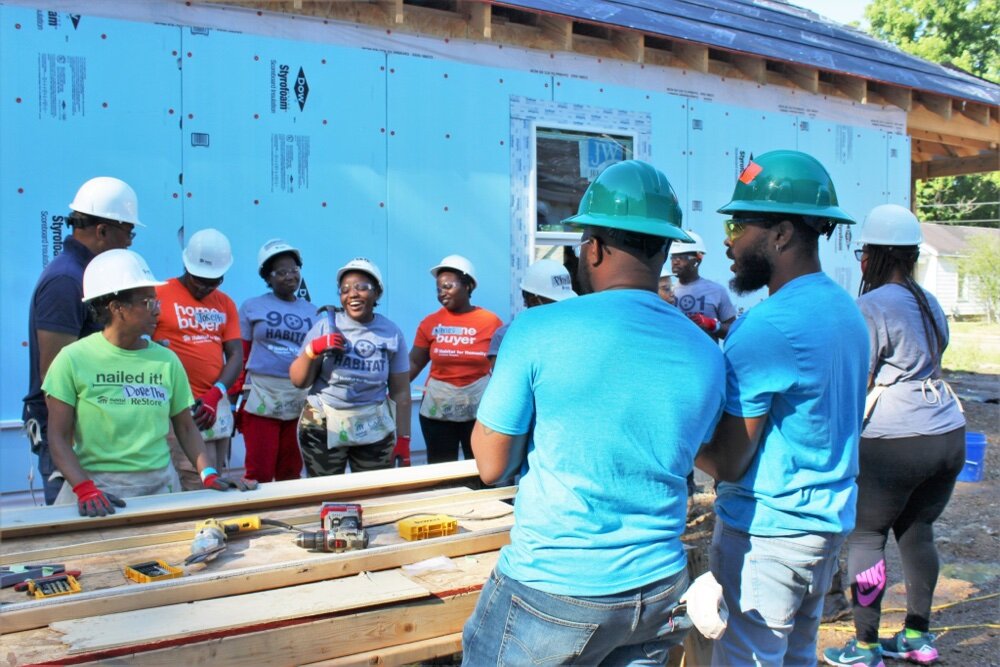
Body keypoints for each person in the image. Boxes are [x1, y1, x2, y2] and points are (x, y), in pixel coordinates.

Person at [462, 160, 726, 664]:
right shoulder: (705, 352)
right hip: (659, 589)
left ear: (593, 248)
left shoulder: (537, 329)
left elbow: (492, 464)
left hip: (554, 588)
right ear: (667, 250)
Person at [695, 150, 869, 666]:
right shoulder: (846, 311)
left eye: (740, 224)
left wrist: (674, 437)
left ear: (782, 234)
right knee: (796, 656)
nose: (728, 241)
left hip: (767, 536)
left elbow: (728, 461)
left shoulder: (769, 325)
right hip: (824, 527)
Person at [824, 205, 966, 667]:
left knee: (867, 535)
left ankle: (864, 646)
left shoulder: (871, 305)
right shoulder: (928, 300)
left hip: (895, 438)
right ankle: (917, 638)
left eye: (864, 253)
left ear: (876, 256)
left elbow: (858, 377)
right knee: (919, 531)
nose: (861, 262)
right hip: (947, 430)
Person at [43, 250, 254, 516]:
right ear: (116, 307)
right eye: (147, 302)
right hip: (98, 489)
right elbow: (58, 437)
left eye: (156, 300)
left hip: (159, 487)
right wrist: (85, 489)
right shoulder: (73, 359)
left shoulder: (167, 361)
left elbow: (186, 428)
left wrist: (208, 473)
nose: (157, 309)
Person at [23, 177, 143, 504]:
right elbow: (54, 374)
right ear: (102, 231)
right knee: (76, 525)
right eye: (128, 232)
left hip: (90, 427)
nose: (130, 243)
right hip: (67, 433)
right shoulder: (66, 279)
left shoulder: (88, 276)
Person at [290, 258, 411, 475]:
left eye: (361, 287)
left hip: (372, 425)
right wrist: (314, 349)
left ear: (377, 293)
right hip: (323, 423)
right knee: (326, 494)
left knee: (372, 494)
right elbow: (299, 381)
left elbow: (400, 391)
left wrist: (404, 438)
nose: (352, 294)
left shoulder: (391, 332)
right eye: (345, 289)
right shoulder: (325, 326)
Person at [153, 229, 243, 491]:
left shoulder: (224, 303)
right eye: (199, 280)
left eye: (214, 281)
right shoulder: (159, 294)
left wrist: (217, 393)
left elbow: (235, 354)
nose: (205, 287)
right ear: (186, 266)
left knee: (217, 473)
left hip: (215, 405)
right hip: (179, 408)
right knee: (192, 478)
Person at [235, 240, 315, 483]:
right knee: (259, 470)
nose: (290, 276)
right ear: (267, 278)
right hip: (261, 394)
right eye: (281, 272)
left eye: (294, 270)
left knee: (291, 471)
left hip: (299, 397)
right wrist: (234, 396)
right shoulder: (252, 306)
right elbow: (241, 354)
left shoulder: (312, 311)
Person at [409, 255, 501, 464]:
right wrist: (387, 389)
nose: (442, 292)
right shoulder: (431, 322)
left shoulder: (491, 322)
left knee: (480, 465)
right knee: (441, 468)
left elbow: (503, 368)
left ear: (468, 285)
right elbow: (414, 363)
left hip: (478, 411)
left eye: (448, 286)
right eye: (439, 288)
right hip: (438, 411)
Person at [487, 259, 577, 370]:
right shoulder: (506, 336)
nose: (562, 308)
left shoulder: (573, 331)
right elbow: (502, 380)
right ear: (533, 300)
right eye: (556, 302)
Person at [670, 230, 737, 340]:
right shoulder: (666, 293)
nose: (675, 262)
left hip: (706, 356)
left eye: (682, 257)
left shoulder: (716, 291)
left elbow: (734, 331)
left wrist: (714, 326)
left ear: (697, 261)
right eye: (673, 257)